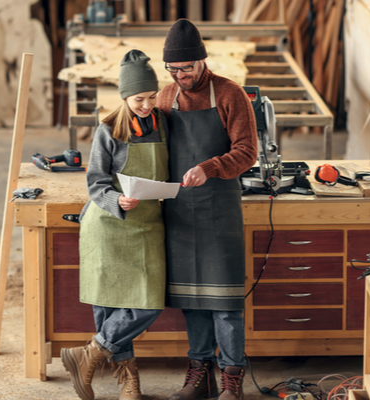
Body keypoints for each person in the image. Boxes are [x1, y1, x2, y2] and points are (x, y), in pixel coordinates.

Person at [156, 19, 258, 400]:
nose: (180, 76)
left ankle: (232, 377)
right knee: (192, 299)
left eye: (186, 68)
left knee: (226, 301)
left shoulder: (231, 94)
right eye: (173, 70)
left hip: (219, 210)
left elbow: (247, 152)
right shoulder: (166, 97)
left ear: (202, 61)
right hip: (180, 211)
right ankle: (200, 375)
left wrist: (210, 167)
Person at [60, 49, 169, 400]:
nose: (147, 105)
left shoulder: (166, 124)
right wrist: (116, 200)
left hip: (147, 225)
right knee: (108, 305)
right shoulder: (107, 130)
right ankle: (128, 379)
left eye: (152, 97)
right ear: (124, 97)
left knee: (148, 304)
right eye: (139, 99)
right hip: (108, 225)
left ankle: (89, 354)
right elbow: (95, 182)